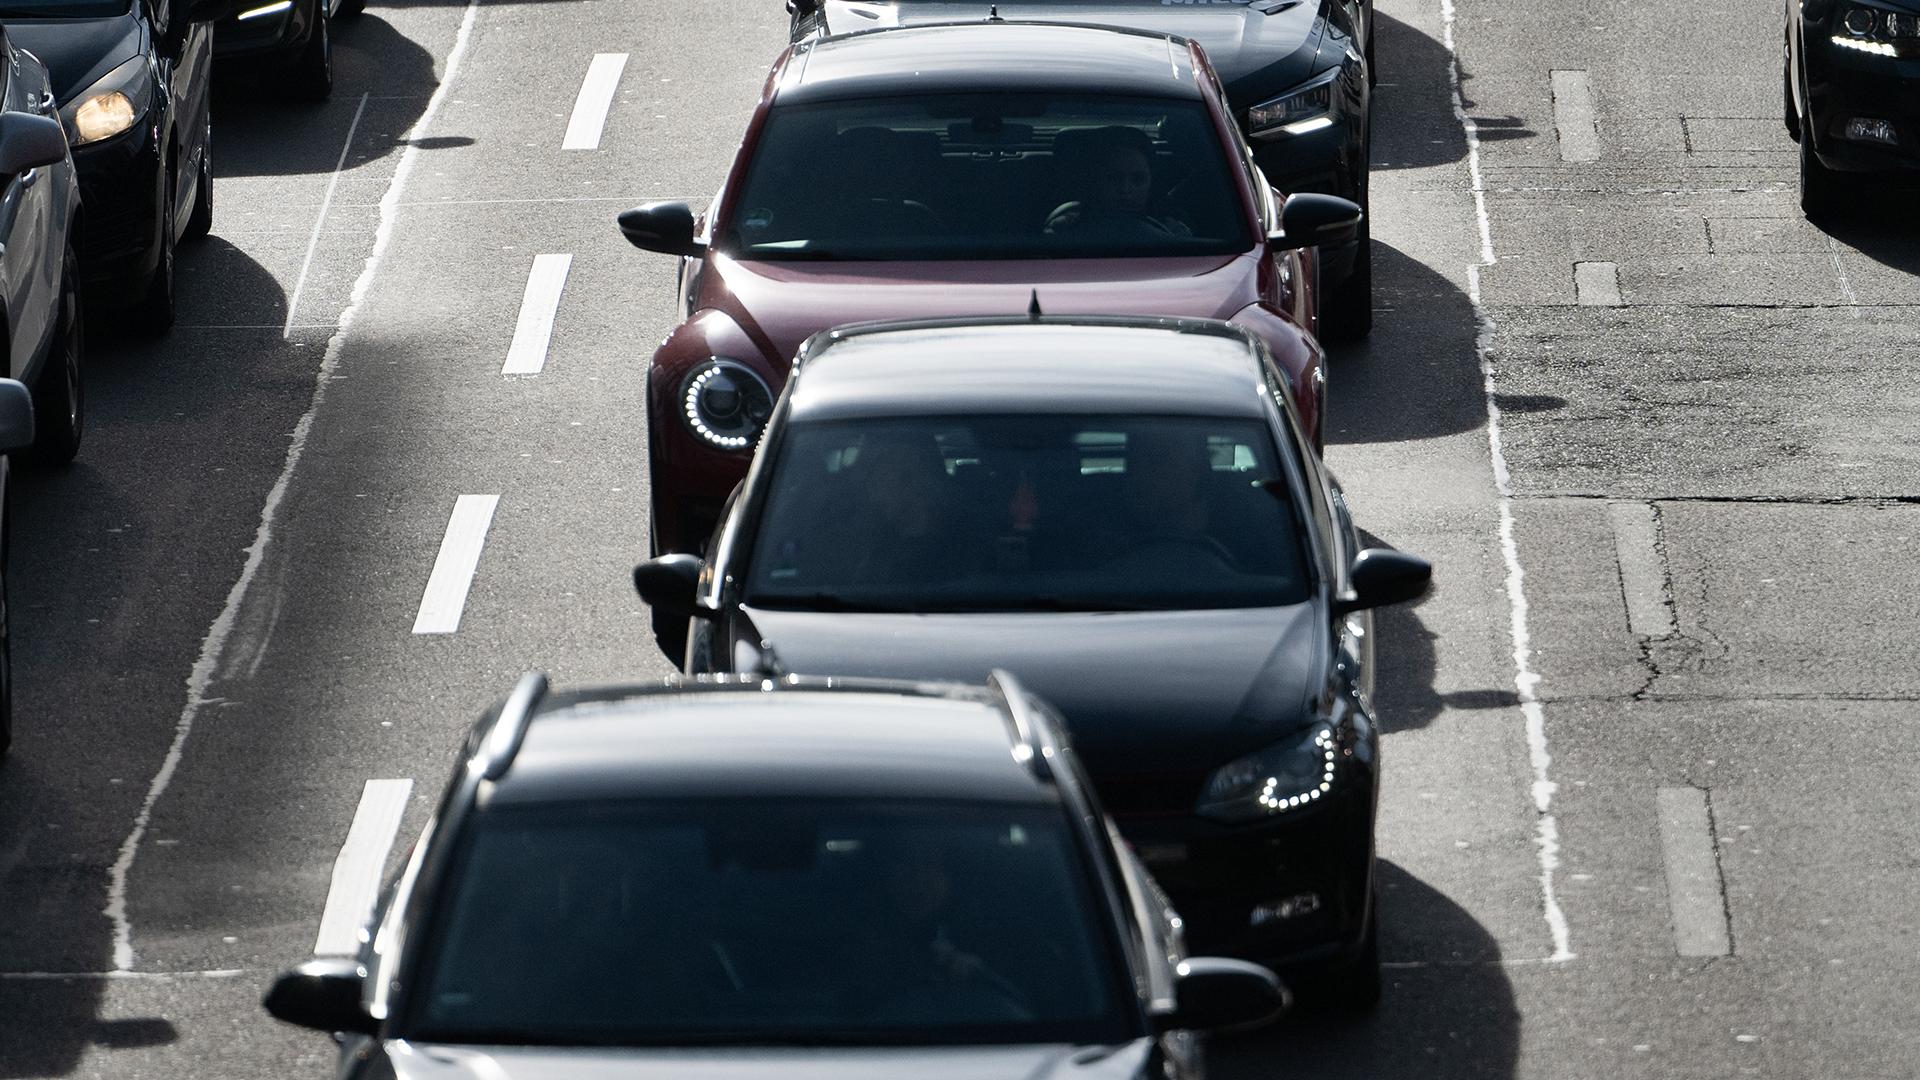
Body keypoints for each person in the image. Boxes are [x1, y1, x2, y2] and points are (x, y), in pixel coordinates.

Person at [1044, 126, 1192, 239]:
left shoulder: (1174, 232)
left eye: (1138, 179)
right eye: (1113, 178)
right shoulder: (1062, 228)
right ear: (1094, 180)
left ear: (1151, 181)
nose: (1125, 189)